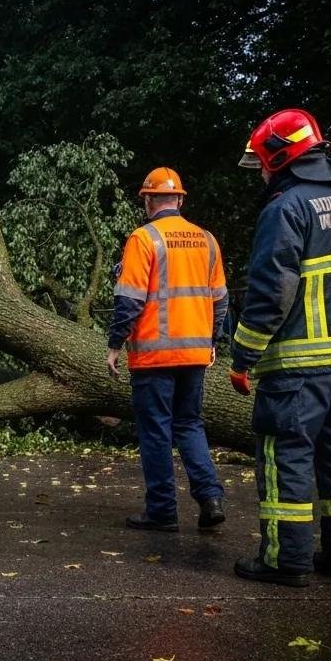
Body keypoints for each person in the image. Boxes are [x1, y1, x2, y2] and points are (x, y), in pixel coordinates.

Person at [229, 108, 331, 587]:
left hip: (300, 365)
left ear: (281, 156)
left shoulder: (287, 208)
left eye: (262, 161)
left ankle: (285, 559)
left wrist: (244, 357)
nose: (260, 171)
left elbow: (270, 292)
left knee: (288, 458)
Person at [107, 167, 229, 531]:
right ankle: (210, 498)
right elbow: (220, 300)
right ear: (179, 199)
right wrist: (211, 341)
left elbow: (128, 301)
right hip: (194, 355)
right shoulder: (207, 240)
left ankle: (162, 511)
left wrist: (114, 344)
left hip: (153, 357)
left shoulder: (144, 239)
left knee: (155, 432)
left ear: (147, 200)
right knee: (190, 425)